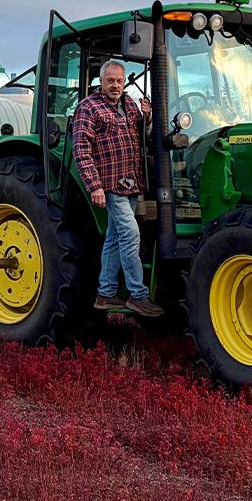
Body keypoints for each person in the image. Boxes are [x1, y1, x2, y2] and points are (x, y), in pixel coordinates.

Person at [71, 60, 164, 317]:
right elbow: (81, 150)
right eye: (110, 81)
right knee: (131, 234)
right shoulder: (88, 107)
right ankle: (138, 295)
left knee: (113, 238)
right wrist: (95, 186)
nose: (115, 85)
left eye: (119, 81)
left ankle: (106, 293)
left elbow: (142, 137)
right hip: (110, 183)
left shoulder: (130, 104)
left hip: (131, 183)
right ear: (101, 81)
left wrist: (147, 118)